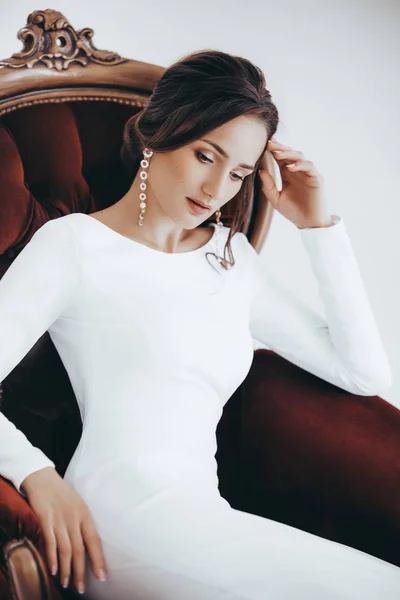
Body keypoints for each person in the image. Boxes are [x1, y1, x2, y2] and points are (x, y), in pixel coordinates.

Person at [0, 49, 398, 600]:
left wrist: (319, 227)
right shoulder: (74, 245)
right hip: (117, 525)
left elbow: (360, 374)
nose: (216, 191)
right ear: (157, 137)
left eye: (237, 173)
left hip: (203, 518)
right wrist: (37, 475)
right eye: (205, 156)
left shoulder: (231, 259)